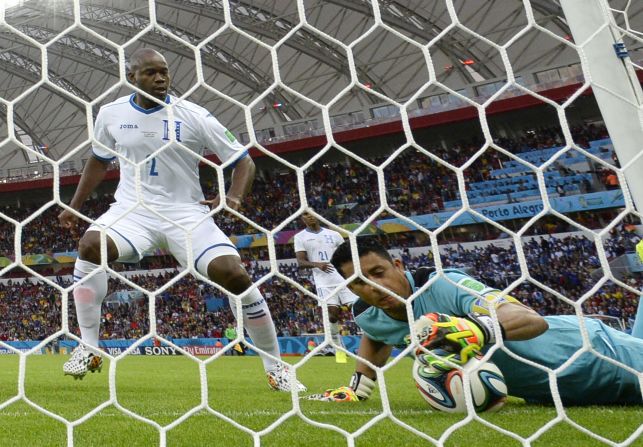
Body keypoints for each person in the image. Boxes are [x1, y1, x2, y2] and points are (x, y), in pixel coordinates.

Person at [57, 48, 305, 392]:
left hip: (187, 214)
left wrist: (233, 198)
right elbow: (98, 161)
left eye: (165, 72)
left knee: (234, 275)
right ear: (133, 77)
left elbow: (243, 160)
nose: (160, 79)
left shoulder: (193, 115)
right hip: (133, 212)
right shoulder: (110, 114)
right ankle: (89, 347)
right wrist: (75, 205)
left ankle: (277, 369)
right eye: (151, 73)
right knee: (90, 244)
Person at [311, 238, 642, 405]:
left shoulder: (444, 284)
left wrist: (477, 329)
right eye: (358, 282)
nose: (373, 287)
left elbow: (531, 320)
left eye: (379, 273)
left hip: (602, 355)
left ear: (398, 265)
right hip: (557, 395)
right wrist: (359, 384)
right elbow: (376, 333)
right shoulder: (368, 313)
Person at [293, 211, 358, 363]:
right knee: (332, 315)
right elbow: (301, 262)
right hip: (323, 282)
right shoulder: (300, 237)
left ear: (317, 215)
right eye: (304, 215)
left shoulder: (334, 234)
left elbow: (346, 253)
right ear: (302, 219)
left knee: (358, 310)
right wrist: (318, 265)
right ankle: (339, 351)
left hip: (343, 278)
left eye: (310, 214)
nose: (308, 217)